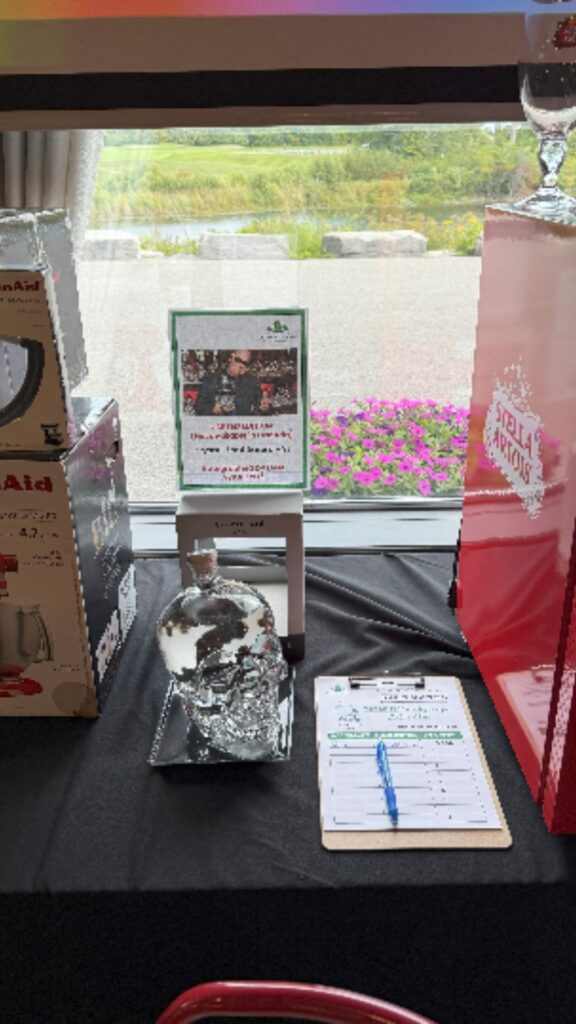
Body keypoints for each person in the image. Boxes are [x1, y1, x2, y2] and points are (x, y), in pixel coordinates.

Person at [195, 349, 270, 416]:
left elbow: (263, 406)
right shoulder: (211, 379)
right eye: (238, 360)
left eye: (245, 363)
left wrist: (265, 406)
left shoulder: (252, 382)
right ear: (231, 358)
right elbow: (199, 407)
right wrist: (213, 410)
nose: (241, 365)